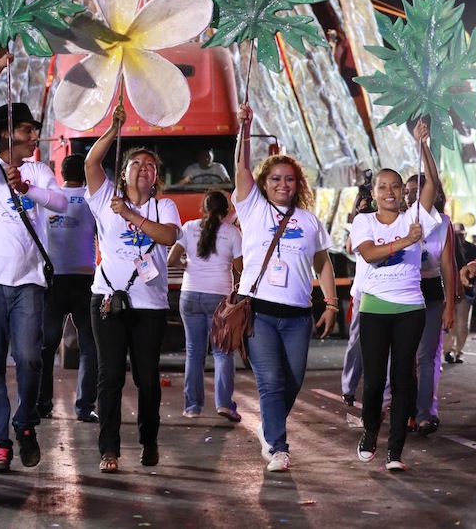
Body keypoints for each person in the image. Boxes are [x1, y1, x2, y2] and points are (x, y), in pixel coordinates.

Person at [0, 49, 68, 474]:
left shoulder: (38, 172)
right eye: (27, 129)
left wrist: (28, 190)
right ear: (6, 133)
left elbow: (60, 203)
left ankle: (25, 423)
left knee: (30, 358)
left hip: (28, 283)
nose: (34, 136)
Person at [235, 103, 338, 473]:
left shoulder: (310, 221)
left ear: (299, 184)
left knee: (293, 381)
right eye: (275, 178)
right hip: (259, 311)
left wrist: (330, 304)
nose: (283, 184)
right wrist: (244, 129)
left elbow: (323, 263)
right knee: (272, 380)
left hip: (297, 315)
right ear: (264, 183)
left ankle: (269, 426)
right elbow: (241, 168)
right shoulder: (253, 209)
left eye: (289, 179)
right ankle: (278, 447)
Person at [84, 103, 182, 474]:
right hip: (108, 299)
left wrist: (132, 216)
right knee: (110, 375)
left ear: (156, 177)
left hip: (150, 305)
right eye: (136, 164)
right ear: (123, 173)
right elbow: (92, 164)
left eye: (150, 166)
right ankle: (108, 449)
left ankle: (149, 439)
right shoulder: (106, 199)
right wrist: (112, 128)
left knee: (146, 378)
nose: (144, 169)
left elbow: (169, 235)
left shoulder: (164, 205)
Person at [350, 119, 439, 473]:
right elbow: (370, 254)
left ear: (404, 192)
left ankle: (396, 451)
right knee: (374, 381)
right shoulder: (364, 221)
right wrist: (406, 241)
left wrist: (424, 146)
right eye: (382, 186)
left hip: (410, 309)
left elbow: (432, 183)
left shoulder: (414, 215)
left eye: (396, 186)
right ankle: (371, 431)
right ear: (374, 193)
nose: (389, 191)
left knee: (404, 378)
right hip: (374, 309)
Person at [167, 188, 242, 421]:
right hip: (219, 297)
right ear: (226, 210)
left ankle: (192, 407)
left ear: (204, 208)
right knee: (222, 352)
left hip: (189, 295)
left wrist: (188, 266)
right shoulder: (232, 233)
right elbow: (240, 268)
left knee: (194, 353)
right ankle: (224, 404)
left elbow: (172, 259)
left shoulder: (189, 227)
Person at [38, 153, 98, 423]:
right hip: (85, 279)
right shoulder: (93, 200)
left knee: (46, 346)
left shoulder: (51, 199)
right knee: (89, 346)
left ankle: (42, 404)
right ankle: (84, 407)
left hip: (53, 280)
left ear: (61, 173)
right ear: (84, 174)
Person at [404, 173, 455, 435]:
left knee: (425, 356)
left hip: (432, 291)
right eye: (408, 191)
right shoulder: (400, 219)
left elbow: (448, 266)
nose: (412, 195)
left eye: (418, 190)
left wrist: (450, 305)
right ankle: (402, 410)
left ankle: (424, 414)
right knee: (403, 355)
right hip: (402, 289)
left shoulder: (443, 223)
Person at [445, 223, 476, 363]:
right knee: (449, 322)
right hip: (450, 290)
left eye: (461, 234)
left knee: (462, 324)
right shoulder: (449, 246)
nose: (459, 236)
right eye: (457, 234)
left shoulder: (472, 249)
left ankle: (458, 351)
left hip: (467, 291)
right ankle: (449, 350)